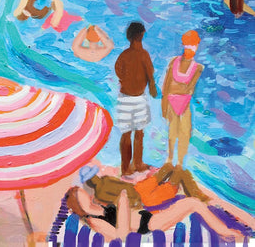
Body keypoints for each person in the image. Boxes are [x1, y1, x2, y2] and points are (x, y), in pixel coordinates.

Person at [64, 179, 244, 242]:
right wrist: (124, 206)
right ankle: (226, 233)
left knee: (188, 199)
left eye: (83, 192)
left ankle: (226, 225)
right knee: (192, 203)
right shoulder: (94, 221)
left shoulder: (100, 206)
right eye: (81, 195)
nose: (86, 194)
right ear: (79, 206)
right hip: (148, 225)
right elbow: (121, 237)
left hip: (148, 215)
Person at [114, 22, 157, 176]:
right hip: (138, 97)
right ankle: (136, 163)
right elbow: (150, 74)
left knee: (127, 132)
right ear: (141, 34)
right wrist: (152, 88)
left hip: (125, 97)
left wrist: (126, 80)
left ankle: (127, 167)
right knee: (139, 132)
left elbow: (118, 70)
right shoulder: (143, 54)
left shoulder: (124, 55)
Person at [78, 161, 209, 210]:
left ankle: (198, 196)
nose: (96, 177)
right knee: (178, 171)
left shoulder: (101, 189)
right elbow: (122, 199)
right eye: (93, 175)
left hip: (141, 190)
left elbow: (121, 193)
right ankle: (199, 197)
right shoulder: (103, 185)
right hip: (143, 196)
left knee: (172, 168)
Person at [162, 30, 204, 168]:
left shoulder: (198, 67)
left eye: (193, 45)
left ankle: (179, 162)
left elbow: (189, 89)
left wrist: (176, 89)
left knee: (185, 133)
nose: (191, 48)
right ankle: (169, 159)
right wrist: (164, 105)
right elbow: (166, 85)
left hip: (184, 102)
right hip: (172, 100)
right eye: (189, 45)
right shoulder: (174, 62)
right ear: (184, 45)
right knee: (172, 132)